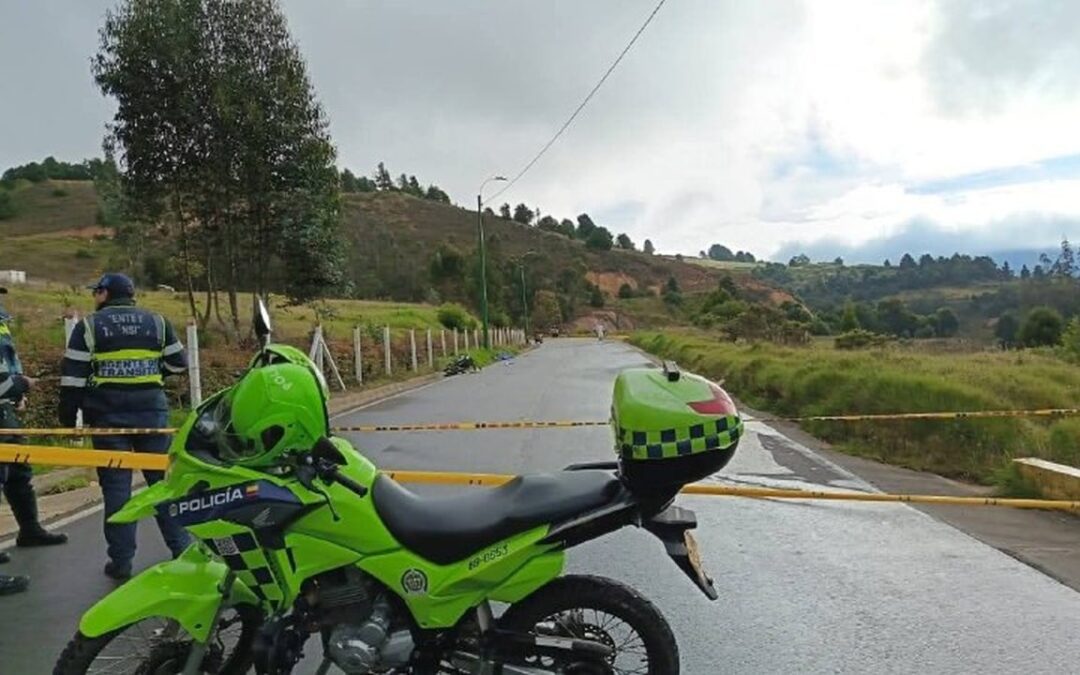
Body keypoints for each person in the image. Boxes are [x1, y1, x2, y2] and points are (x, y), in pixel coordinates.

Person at [59, 274, 190, 580]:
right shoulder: (157, 322)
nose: (95, 297)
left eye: (97, 292)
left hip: (108, 417)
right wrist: (152, 371)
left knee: (117, 489)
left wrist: (68, 415)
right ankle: (182, 549)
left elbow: (73, 376)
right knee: (162, 485)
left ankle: (121, 562)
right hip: (151, 415)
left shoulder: (90, 326)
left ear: (106, 293)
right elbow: (178, 363)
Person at [0, 288, 67, 596]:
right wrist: (19, 385)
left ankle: (29, 530)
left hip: (4, 408)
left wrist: (18, 393)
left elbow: (8, 360)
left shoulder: (2, 321)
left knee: (18, 470)